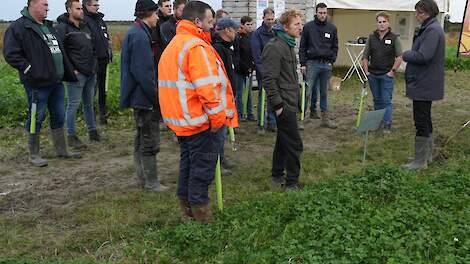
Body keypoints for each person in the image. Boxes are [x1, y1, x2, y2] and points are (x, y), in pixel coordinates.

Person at [158, 0, 238, 223]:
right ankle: (202, 218)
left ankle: (186, 212)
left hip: (182, 122)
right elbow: (209, 89)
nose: (213, 26)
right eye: (210, 21)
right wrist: (216, 121)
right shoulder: (196, 48)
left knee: (188, 167)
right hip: (201, 123)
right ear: (197, 21)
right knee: (202, 171)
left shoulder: (175, 44)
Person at [3, 0, 80, 167]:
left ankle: (61, 150)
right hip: (37, 83)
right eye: (44, 4)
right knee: (36, 116)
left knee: (59, 114)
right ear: (32, 5)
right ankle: (34, 154)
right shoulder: (19, 27)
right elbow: (11, 54)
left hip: (56, 81)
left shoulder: (48, 26)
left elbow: (57, 50)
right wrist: (29, 69)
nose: (48, 7)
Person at [120, 0, 169, 192]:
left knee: (141, 137)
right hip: (144, 98)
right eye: (156, 13)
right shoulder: (139, 36)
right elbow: (143, 73)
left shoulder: (137, 32)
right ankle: (151, 181)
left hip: (139, 96)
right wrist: (156, 98)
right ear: (148, 13)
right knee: (149, 138)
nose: (158, 17)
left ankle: (143, 177)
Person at [262, 10, 304, 190]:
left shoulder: (288, 44)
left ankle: (277, 174)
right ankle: (291, 183)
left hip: (290, 100)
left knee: (283, 140)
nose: (300, 27)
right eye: (296, 24)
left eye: (300, 24)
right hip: (283, 104)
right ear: (285, 27)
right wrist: (278, 104)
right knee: (294, 144)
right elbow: (269, 79)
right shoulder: (275, 46)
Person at [402, 0, 444, 170]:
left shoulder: (432, 30)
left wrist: (405, 54)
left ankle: (420, 162)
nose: (416, 15)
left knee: (421, 120)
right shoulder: (430, 28)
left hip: (424, 83)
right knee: (425, 118)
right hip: (424, 82)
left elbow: (423, 56)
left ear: (426, 12)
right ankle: (426, 155)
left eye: (418, 12)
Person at [56, 0, 100, 149]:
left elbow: (92, 48)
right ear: (69, 10)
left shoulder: (85, 27)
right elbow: (61, 52)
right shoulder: (62, 28)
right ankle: (71, 135)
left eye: (82, 8)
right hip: (76, 75)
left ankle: (93, 131)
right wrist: (71, 70)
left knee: (89, 104)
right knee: (73, 105)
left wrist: (94, 66)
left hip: (90, 73)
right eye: (78, 8)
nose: (82, 11)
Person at [362, 11, 403, 134]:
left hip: (386, 75)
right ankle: (378, 122)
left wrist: (392, 71)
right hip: (373, 75)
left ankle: (387, 124)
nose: (381, 24)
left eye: (384, 21)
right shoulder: (371, 37)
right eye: (379, 22)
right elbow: (365, 56)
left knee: (386, 100)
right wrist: (366, 72)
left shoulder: (394, 38)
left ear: (388, 22)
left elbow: (399, 56)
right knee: (377, 100)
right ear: (377, 23)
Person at [299, 2, 338, 129]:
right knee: (307, 92)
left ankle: (325, 119)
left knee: (324, 93)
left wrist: (332, 60)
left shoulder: (332, 28)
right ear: (316, 12)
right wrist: (303, 63)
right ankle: (301, 118)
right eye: (320, 13)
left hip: (326, 65)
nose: (322, 15)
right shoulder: (308, 27)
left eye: (324, 13)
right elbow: (302, 46)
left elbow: (335, 46)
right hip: (312, 64)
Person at [83, 0, 112, 125]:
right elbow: (87, 42)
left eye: (98, 5)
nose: (97, 7)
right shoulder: (84, 21)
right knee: (91, 90)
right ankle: (91, 117)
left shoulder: (100, 20)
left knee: (102, 89)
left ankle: (102, 114)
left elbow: (106, 38)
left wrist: (109, 51)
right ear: (86, 5)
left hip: (103, 60)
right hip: (93, 62)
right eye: (95, 5)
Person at [251, 7, 276, 132]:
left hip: (276, 71)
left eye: (272, 19)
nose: (270, 21)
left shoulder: (276, 32)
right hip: (264, 72)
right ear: (263, 18)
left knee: (274, 97)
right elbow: (257, 55)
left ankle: (272, 122)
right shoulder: (257, 34)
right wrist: (264, 72)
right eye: (268, 19)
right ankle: (261, 122)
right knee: (263, 97)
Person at [233, 15, 255, 121]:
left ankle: (250, 113)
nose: (250, 26)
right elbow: (237, 54)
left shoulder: (252, 36)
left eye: (251, 24)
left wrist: (252, 66)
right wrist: (240, 66)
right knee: (240, 92)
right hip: (240, 69)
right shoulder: (238, 37)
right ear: (242, 25)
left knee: (249, 91)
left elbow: (253, 53)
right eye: (247, 24)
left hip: (250, 68)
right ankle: (240, 114)